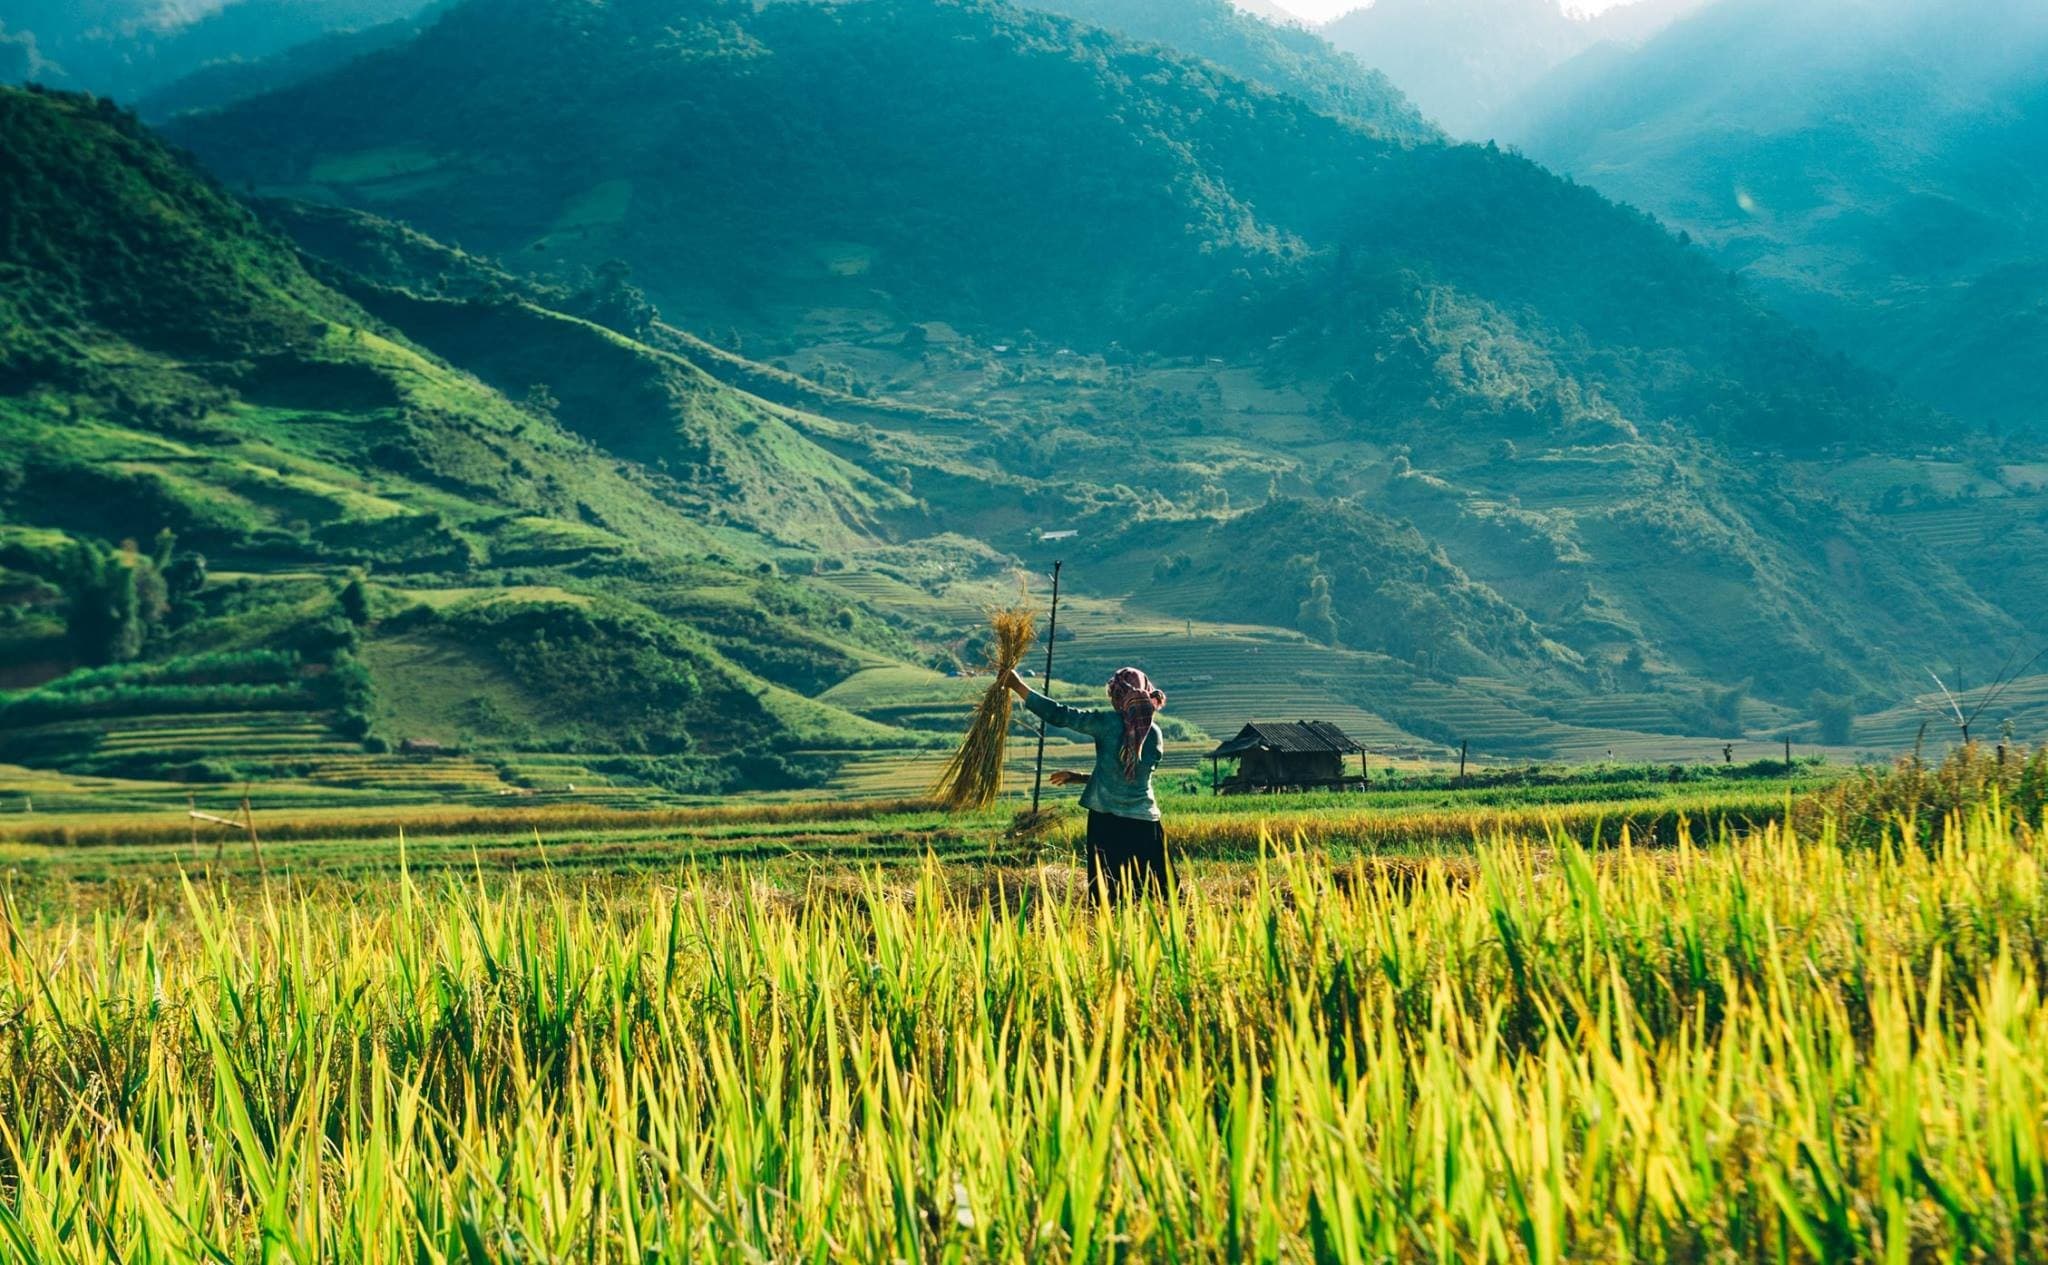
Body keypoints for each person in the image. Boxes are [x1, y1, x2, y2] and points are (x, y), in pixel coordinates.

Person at [1001, 664, 1169, 901]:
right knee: (1156, 896)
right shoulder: (1154, 734)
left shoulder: (1107, 723)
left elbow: (1060, 714)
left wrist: (1017, 686)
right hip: (1145, 824)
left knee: (1108, 897)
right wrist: (1077, 777)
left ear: (1118, 697)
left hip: (1107, 824)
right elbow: (1128, 778)